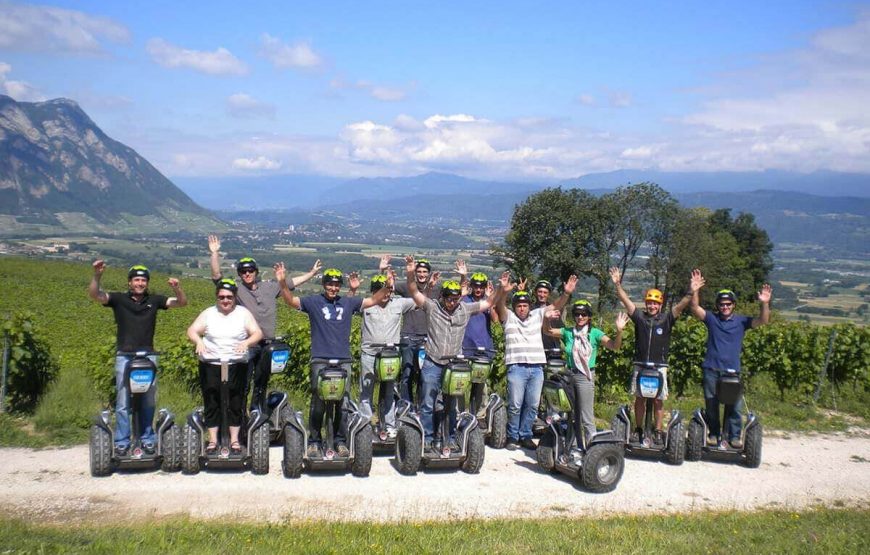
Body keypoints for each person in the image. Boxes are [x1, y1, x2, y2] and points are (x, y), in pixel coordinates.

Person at [278, 267, 390, 458]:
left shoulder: (348, 302)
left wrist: (387, 286)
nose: (333, 288)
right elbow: (289, 301)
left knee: (342, 403)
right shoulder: (313, 301)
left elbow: (373, 300)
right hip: (320, 359)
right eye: (330, 284)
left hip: (343, 359)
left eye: (337, 284)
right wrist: (282, 282)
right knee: (319, 402)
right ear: (324, 285)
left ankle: (340, 441)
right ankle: (314, 441)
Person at [403, 255, 508, 452]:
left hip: (454, 365)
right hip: (433, 362)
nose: (452, 302)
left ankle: (450, 438)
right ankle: (428, 437)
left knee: (451, 405)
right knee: (427, 402)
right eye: (449, 299)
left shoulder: (464, 309)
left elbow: (488, 303)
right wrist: (410, 272)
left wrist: (501, 288)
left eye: (455, 298)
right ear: (442, 297)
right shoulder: (432, 308)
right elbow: (413, 290)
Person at [208, 234, 321, 411]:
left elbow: (291, 283)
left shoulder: (269, 287)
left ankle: (256, 414)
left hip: (267, 344)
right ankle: (239, 417)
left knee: (261, 383)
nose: (247, 274)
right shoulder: (236, 290)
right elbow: (217, 276)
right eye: (243, 271)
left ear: (256, 272)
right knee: (243, 384)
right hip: (246, 344)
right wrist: (214, 253)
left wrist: (312, 273)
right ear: (239, 274)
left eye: (250, 270)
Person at [88, 260, 187, 456]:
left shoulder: (155, 300)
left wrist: (178, 289)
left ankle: (147, 438)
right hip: (124, 356)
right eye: (136, 280)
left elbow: (182, 303)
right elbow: (94, 295)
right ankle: (122, 440)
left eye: (143, 280)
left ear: (147, 283)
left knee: (148, 400)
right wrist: (97, 275)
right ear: (129, 282)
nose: (140, 283)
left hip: (148, 356)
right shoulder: (118, 299)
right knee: (123, 401)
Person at [610, 267, 704, 444]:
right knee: (639, 399)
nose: (652, 306)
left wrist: (692, 290)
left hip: (660, 366)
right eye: (649, 302)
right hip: (640, 364)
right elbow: (625, 300)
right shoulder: (639, 318)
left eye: (655, 303)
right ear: (646, 304)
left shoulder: (667, 319)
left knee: (659, 400)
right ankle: (638, 429)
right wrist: (617, 284)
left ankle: (658, 431)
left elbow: (682, 304)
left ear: (660, 305)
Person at [689, 272, 772, 448]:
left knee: (735, 406)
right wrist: (694, 291)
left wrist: (764, 304)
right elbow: (695, 308)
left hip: (732, 371)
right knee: (712, 404)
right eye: (721, 304)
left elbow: (763, 320)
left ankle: (734, 436)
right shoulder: (712, 319)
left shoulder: (742, 321)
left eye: (728, 304)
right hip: (711, 369)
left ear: (733, 305)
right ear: (718, 306)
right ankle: (713, 434)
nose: (725, 307)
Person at [496, 274, 576, 450]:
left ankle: (526, 435)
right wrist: (503, 291)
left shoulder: (537, 315)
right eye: (519, 306)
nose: (522, 309)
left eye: (525, 306)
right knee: (516, 404)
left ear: (529, 307)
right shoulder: (509, 317)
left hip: (537, 368)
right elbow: (500, 306)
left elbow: (556, 305)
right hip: (516, 367)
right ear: (514, 307)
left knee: (532, 405)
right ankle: (512, 436)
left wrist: (566, 293)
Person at [187, 279, 263, 454]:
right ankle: (213, 440)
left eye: (229, 297)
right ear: (217, 297)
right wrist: (198, 341)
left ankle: (235, 440)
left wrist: (247, 342)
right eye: (221, 297)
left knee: (235, 400)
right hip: (211, 363)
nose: (225, 300)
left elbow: (257, 333)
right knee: (211, 400)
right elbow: (192, 330)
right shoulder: (208, 313)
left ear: (235, 297)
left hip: (236, 363)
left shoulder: (243, 313)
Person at [545, 300, 627, 448]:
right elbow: (547, 331)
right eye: (577, 314)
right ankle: (573, 445)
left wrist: (619, 331)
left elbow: (615, 346)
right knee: (570, 413)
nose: (580, 317)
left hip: (585, 377)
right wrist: (546, 318)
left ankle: (592, 447)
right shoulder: (568, 332)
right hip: (569, 375)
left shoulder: (595, 333)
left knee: (586, 415)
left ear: (589, 316)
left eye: (584, 314)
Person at [359, 272, 416, 437]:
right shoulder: (366, 304)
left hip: (390, 356)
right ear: (373, 292)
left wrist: (422, 282)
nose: (384, 293)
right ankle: (365, 425)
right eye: (380, 290)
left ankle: (389, 424)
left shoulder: (399, 304)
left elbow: (420, 300)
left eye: (388, 290)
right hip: (369, 354)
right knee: (366, 391)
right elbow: (347, 304)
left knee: (389, 391)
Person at [379, 255, 440, 406]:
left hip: (427, 338)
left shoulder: (436, 289)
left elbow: (457, 296)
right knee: (407, 373)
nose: (422, 274)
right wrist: (383, 270)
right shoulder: (407, 286)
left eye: (425, 272)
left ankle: (422, 405)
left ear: (429, 273)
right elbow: (386, 288)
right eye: (419, 271)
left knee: (424, 375)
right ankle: (406, 405)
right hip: (408, 336)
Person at [457, 264, 500, 415]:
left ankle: (477, 414)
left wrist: (491, 301)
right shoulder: (465, 300)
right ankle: (460, 414)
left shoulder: (488, 301)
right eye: (476, 286)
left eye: (481, 286)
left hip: (483, 348)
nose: (478, 289)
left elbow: (495, 320)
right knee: (462, 383)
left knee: (479, 386)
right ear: (471, 286)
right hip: (466, 348)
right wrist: (463, 276)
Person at [534, 280, 564, 355]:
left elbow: (561, 330)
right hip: (534, 350)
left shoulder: (554, 311)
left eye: (545, 292)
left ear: (549, 294)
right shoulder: (529, 309)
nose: (542, 295)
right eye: (540, 292)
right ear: (535, 293)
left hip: (552, 350)